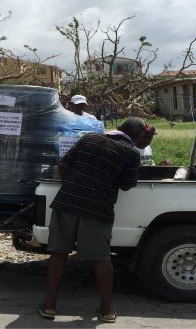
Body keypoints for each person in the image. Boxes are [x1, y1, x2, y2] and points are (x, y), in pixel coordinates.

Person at [39, 117, 148, 323]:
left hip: (67, 203)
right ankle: (107, 311)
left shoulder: (89, 138)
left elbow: (63, 164)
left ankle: (49, 307)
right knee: (101, 258)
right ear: (138, 136)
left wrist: (70, 187)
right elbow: (126, 185)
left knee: (59, 253)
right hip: (98, 209)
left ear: (119, 128)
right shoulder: (131, 154)